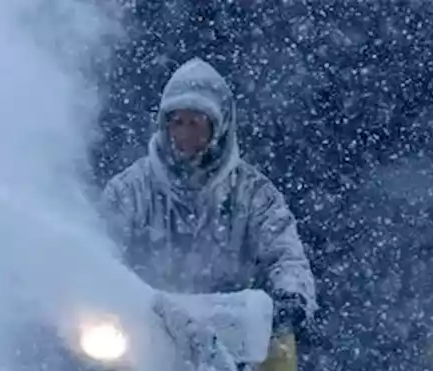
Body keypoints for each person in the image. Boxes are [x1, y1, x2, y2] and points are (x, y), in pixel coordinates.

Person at [99, 57, 318, 338]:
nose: (184, 134)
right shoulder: (129, 190)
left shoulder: (254, 193)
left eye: (196, 123)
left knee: (279, 362)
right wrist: (106, 296)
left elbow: (285, 255)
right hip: (142, 339)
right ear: (163, 125)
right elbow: (103, 250)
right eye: (177, 122)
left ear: (221, 127)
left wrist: (291, 295)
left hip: (240, 338)